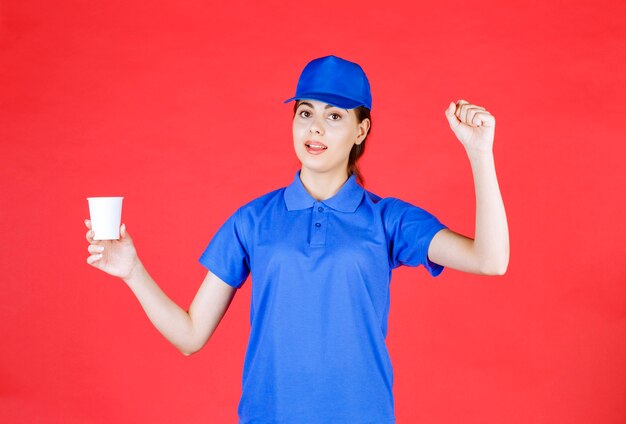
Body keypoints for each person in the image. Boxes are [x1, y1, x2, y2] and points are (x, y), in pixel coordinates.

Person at [84, 54, 509, 423]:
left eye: (335, 116)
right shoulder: (253, 220)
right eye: (306, 113)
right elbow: (191, 336)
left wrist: (480, 153)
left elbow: (491, 260)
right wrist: (132, 272)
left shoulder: (387, 220)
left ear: (361, 132)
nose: (316, 128)